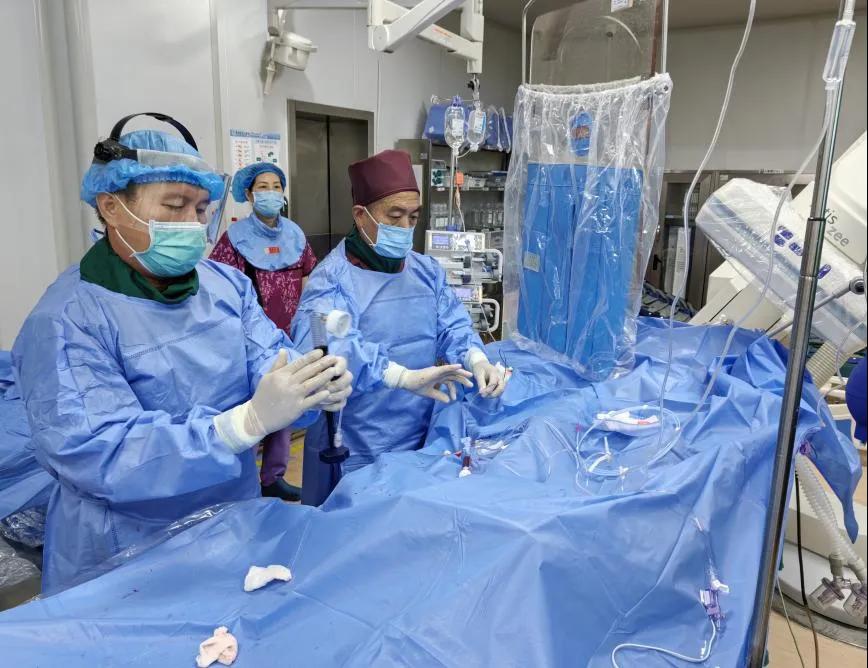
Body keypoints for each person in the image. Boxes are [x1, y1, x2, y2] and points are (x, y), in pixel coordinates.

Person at [12, 113, 352, 591]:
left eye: (201, 209)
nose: (192, 223)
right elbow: (99, 451)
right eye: (174, 205)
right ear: (111, 207)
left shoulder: (226, 287)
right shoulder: (66, 321)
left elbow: (271, 360)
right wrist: (240, 425)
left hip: (233, 521)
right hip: (125, 549)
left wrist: (311, 384)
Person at [292, 149, 506, 505]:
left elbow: (452, 324)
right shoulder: (331, 280)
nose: (406, 227)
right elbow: (326, 347)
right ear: (360, 216)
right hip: (357, 442)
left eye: (413, 217)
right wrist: (400, 376)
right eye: (395, 216)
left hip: (421, 433)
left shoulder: (426, 271)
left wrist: (475, 357)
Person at [210, 162, 317, 501]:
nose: (271, 193)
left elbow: (309, 278)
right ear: (249, 193)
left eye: (276, 187)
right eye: (263, 187)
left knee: (283, 402)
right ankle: (239, 480)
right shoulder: (235, 239)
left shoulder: (295, 235)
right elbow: (220, 286)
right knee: (246, 408)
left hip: (288, 334)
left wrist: (307, 325)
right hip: (247, 337)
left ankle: (273, 476)